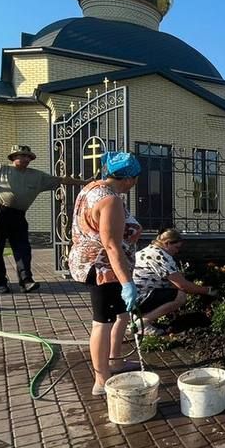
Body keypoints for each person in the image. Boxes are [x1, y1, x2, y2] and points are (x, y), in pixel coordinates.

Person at [67, 151, 144, 396]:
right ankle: (101, 380)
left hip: (98, 263)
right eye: (135, 178)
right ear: (129, 178)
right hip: (102, 269)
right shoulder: (110, 200)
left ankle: (115, 361)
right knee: (103, 322)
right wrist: (127, 283)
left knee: (121, 316)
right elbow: (111, 245)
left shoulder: (92, 188)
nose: (135, 183)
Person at [0, 145, 87, 294]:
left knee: (23, 248)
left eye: (28, 156)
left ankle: (26, 281)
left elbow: (63, 180)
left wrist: (86, 183)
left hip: (19, 215)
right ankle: (0, 283)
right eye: (21, 155)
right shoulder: (1, 170)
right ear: (13, 157)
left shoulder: (37, 176)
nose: (25, 159)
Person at [131, 229, 213, 334]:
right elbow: (182, 285)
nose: (177, 251)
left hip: (133, 296)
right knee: (180, 296)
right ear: (167, 243)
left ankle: (137, 318)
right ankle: (142, 324)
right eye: (176, 247)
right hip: (140, 298)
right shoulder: (160, 256)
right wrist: (208, 290)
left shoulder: (149, 250)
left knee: (172, 289)